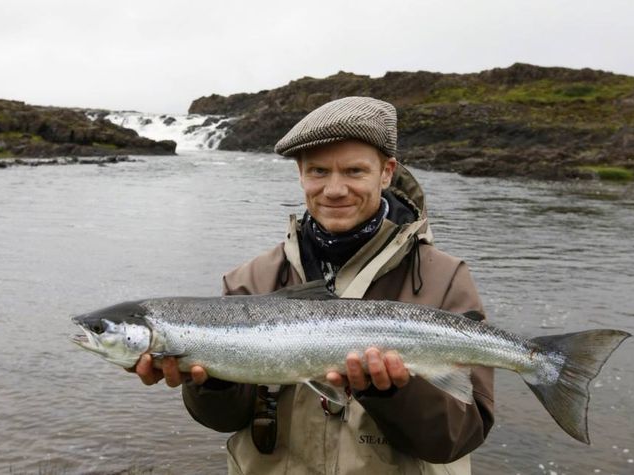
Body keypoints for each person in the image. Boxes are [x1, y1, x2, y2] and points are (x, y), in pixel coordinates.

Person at [131, 97, 494, 474]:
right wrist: (209, 384)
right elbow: (225, 419)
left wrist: (393, 393)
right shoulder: (250, 280)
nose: (334, 190)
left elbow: (459, 437)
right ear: (300, 174)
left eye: (354, 171)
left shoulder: (445, 278)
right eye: (318, 171)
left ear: (386, 173)